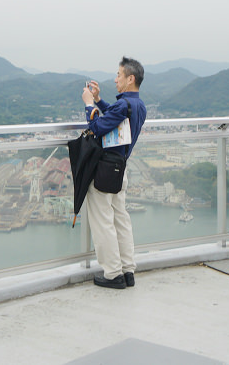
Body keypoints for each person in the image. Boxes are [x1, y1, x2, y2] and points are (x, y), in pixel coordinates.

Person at [81, 56, 147, 289]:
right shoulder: (137, 105)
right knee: (121, 219)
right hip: (121, 169)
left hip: (105, 170)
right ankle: (127, 270)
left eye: (118, 75)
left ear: (130, 78)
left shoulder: (124, 105)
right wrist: (99, 99)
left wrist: (90, 104)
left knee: (103, 221)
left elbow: (98, 126)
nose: (115, 79)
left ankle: (113, 274)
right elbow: (116, 116)